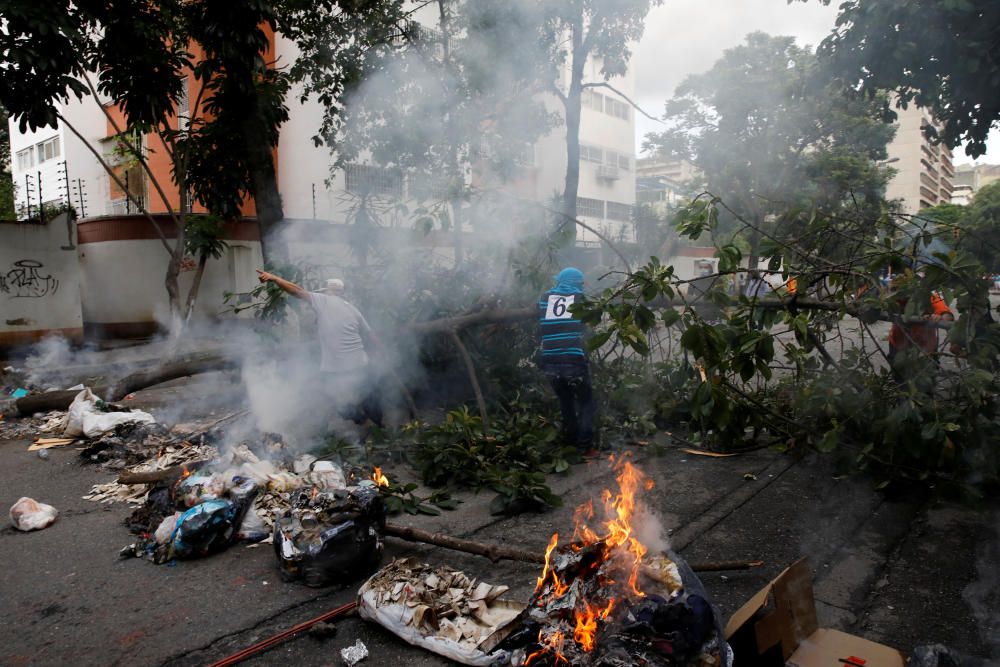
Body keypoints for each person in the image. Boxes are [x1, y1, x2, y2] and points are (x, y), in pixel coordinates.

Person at [255, 269, 383, 427]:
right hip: (361, 363)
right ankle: (379, 429)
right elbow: (372, 337)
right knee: (367, 395)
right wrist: (380, 356)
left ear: (328, 291)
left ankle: (362, 424)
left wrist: (274, 278)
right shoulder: (352, 309)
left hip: (337, 369)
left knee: (336, 400)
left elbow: (297, 291)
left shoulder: (323, 300)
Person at [538, 267, 596, 457]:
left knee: (566, 401)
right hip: (572, 360)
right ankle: (584, 446)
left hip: (550, 362)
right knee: (587, 401)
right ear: (577, 284)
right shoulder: (582, 299)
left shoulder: (545, 298)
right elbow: (593, 320)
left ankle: (570, 442)